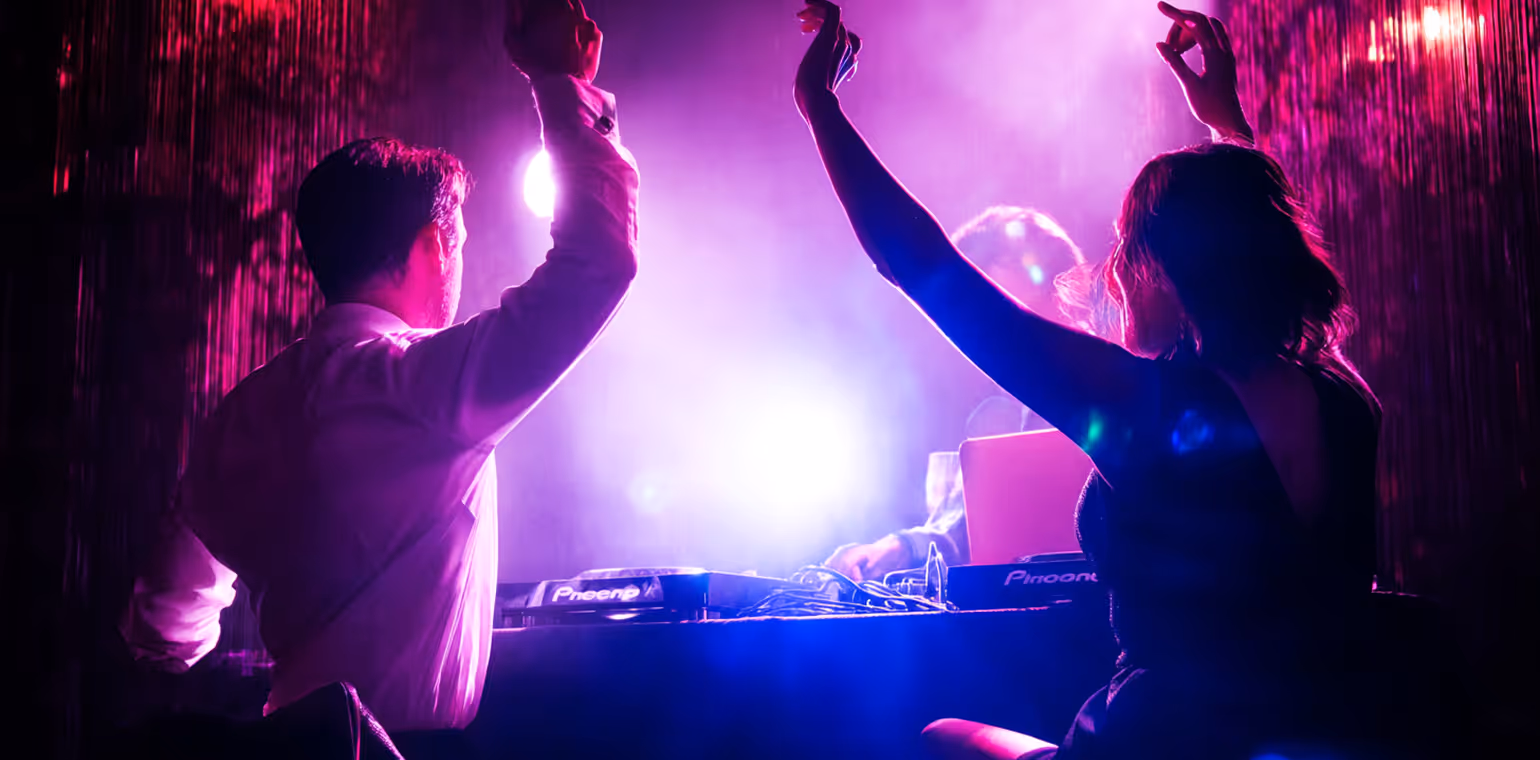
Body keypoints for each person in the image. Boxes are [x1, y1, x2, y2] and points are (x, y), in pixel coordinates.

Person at [793, 2, 1415, 757]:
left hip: (1165, 742)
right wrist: (1228, 129)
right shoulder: (1344, 394)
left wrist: (819, 106)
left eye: (1127, 247)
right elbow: (1253, 238)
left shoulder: (1150, 412)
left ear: (1169, 270)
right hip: (1336, 732)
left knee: (937, 736)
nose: (1112, 274)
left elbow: (921, 266)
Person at [119, 0, 638, 746]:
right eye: (457, 242)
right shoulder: (427, 391)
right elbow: (599, 262)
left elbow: (164, 627)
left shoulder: (237, 415)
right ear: (434, 245)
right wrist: (560, 83)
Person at [824, 206, 1092, 580]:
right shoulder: (1008, 411)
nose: (973, 329)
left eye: (979, 300)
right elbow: (968, 528)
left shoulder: (1110, 385)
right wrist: (897, 548)